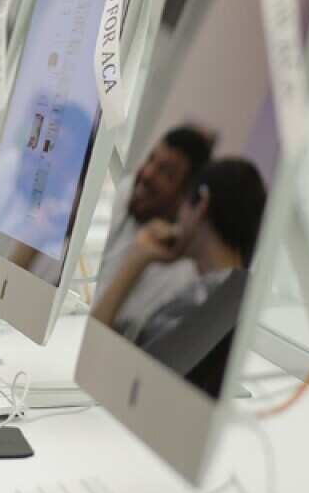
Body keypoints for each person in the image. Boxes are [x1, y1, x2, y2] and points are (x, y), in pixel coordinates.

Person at [93, 158, 267, 347]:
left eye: (184, 204)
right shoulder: (241, 298)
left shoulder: (194, 303)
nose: (179, 217)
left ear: (202, 204)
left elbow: (92, 345)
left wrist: (135, 259)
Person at [94, 126, 214, 331]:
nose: (147, 174)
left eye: (165, 173)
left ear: (186, 195)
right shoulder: (125, 194)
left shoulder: (179, 277)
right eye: (150, 160)